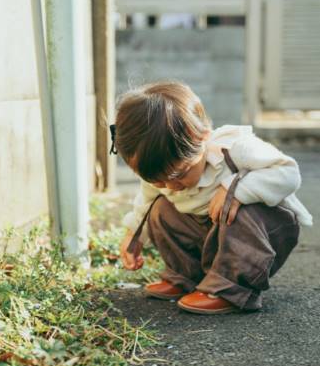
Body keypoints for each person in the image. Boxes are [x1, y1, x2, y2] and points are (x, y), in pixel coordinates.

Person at [110, 81, 313, 314]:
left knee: (236, 211)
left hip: (259, 234)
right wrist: (133, 235)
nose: (170, 186)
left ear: (201, 138)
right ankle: (186, 276)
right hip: (210, 234)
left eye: (179, 174)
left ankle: (230, 288)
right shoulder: (164, 173)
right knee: (160, 209)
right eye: (158, 180)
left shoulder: (235, 148)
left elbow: (288, 173)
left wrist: (235, 191)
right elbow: (144, 203)